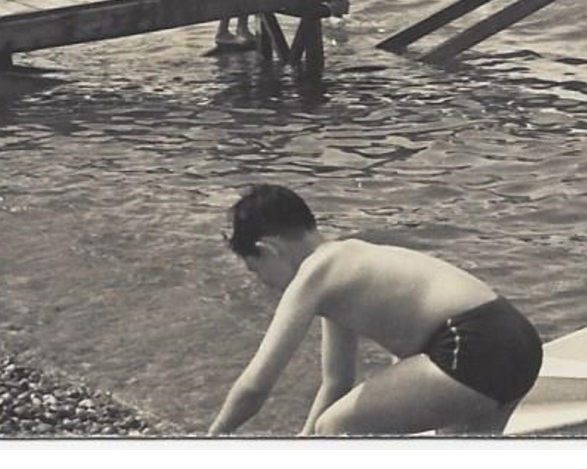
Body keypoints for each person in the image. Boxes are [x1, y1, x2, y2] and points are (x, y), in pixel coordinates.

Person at [208, 184, 542, 436]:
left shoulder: (314, 274)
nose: (265, 284)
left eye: (256, 271)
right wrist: (305, 440)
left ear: (268, 250)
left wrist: (210, 440)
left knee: (336, 427)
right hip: (516, 342)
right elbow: (337, 382)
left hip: (472, 345)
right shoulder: (343, 264)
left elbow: (255, 388)